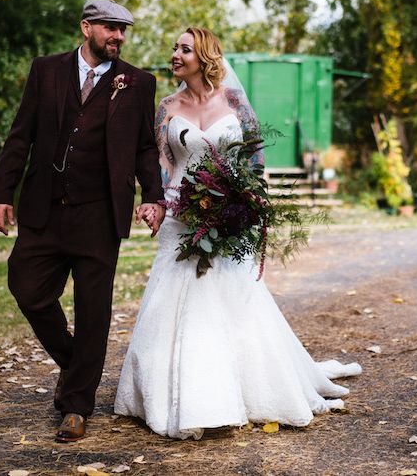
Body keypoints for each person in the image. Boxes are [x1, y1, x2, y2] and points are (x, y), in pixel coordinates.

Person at [114, 26, 361, 439]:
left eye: (184, 49)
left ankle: (239, 388)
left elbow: (255, 155)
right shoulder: (167, 106)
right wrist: (156, 202)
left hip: (228, 210)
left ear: (205, 57)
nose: (175, 54)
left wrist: (249, 200)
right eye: (175, 48)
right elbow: (161, 162)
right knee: (172, 297)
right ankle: (170, 395)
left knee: (230, 295)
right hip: (180, 212)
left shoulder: (233, 102)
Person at [0, 0, 165, 443]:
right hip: (44, 209)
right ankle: (74, 363)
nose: (118, 37)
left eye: (123, 30)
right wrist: (1, 194)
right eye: (110, 28)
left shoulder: (139, 83)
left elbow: (146, 146)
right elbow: (21, 133)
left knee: (94, 313)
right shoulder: (45, 70)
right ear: (87, 27)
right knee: (26, 288)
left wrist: (154, 196)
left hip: (100, 214)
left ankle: (77, 406)